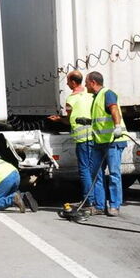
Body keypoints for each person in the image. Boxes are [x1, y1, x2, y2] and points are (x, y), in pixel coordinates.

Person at [47, 70, 95, 208]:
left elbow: (69, 120)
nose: (67, 84)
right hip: (94, 135)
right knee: (94, 169)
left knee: (84, 169)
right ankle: (96, 199)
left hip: (82, 138)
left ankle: (88, 200)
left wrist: (58, 120)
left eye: (68, 81)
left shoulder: (71, 99)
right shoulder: (90, 95)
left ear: (73, 82)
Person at [85, 71, 127, 216]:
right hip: (100, 142)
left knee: (114, 174)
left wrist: (117, 126)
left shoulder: (107, 94)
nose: (85, 85)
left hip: (113, 141)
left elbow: (114, 109)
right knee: (96, 173)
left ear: (93, 82)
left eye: (86, 82)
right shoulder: (96, 97)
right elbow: (101, 119)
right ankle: (99, 205)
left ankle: (114, 205)